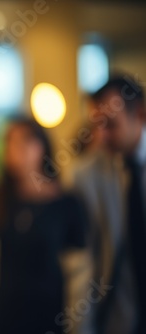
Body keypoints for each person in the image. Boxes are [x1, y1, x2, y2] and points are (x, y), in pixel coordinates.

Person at [0, 117, 87, 334]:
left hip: (49, 311)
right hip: (4, 311)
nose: (15, 150)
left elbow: (78, 266)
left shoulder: (65, 203)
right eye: (9, 142)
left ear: (42, 146)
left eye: (24, 141)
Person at [72, 75, 145, 334]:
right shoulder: (86, 176)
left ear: (140, 115)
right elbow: (84, 262)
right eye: (97, 125)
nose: (100, 136)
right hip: (117, 318)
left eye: (110, 125)